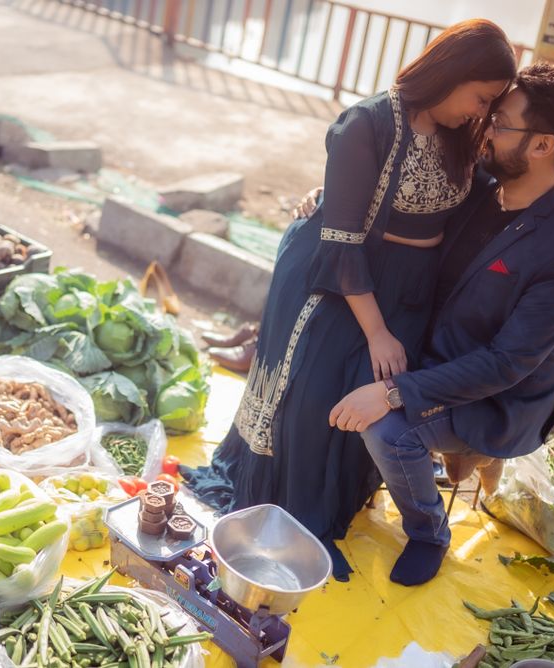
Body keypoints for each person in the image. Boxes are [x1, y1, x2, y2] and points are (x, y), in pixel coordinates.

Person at [181, 18, 519, 581]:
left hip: (411, 285)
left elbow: (491, 189)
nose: (481, 112)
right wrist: (378, 330)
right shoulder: (365, 124)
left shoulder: (463, 133)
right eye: (481, 97)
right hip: (340, 276)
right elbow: (340, 242)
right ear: (453, 73)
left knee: (368, 398)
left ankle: (334, 506)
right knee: (314, 398)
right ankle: (296, 518)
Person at [328, 62, 554, 586]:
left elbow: (508, 363)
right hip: (438, 355)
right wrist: (329, 206)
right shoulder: (479, 186)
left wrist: (392, 394)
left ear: (543, 146)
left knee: (386, 426)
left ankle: (429, 530)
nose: (486, 128)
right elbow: (401, 198)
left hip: (496, 396)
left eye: (501, 122)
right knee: (338, 357)